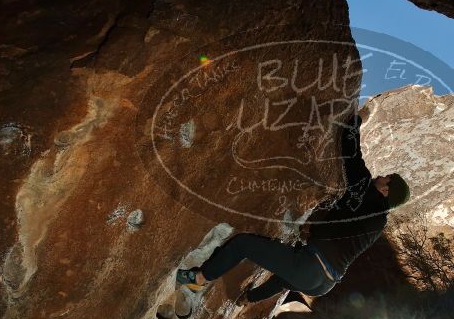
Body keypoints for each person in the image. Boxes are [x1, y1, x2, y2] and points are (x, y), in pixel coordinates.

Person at [176, 112, 411, 302]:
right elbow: (342, 234)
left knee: (242, 244)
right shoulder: (379, 221)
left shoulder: (366, 192)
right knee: (282, 279)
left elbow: (351, 154)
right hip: (325, 284)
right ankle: (250, 298)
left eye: (386, 177)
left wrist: (355, 120)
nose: (380, 175)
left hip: (311, 268)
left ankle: (198, 278)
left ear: (386, 190)